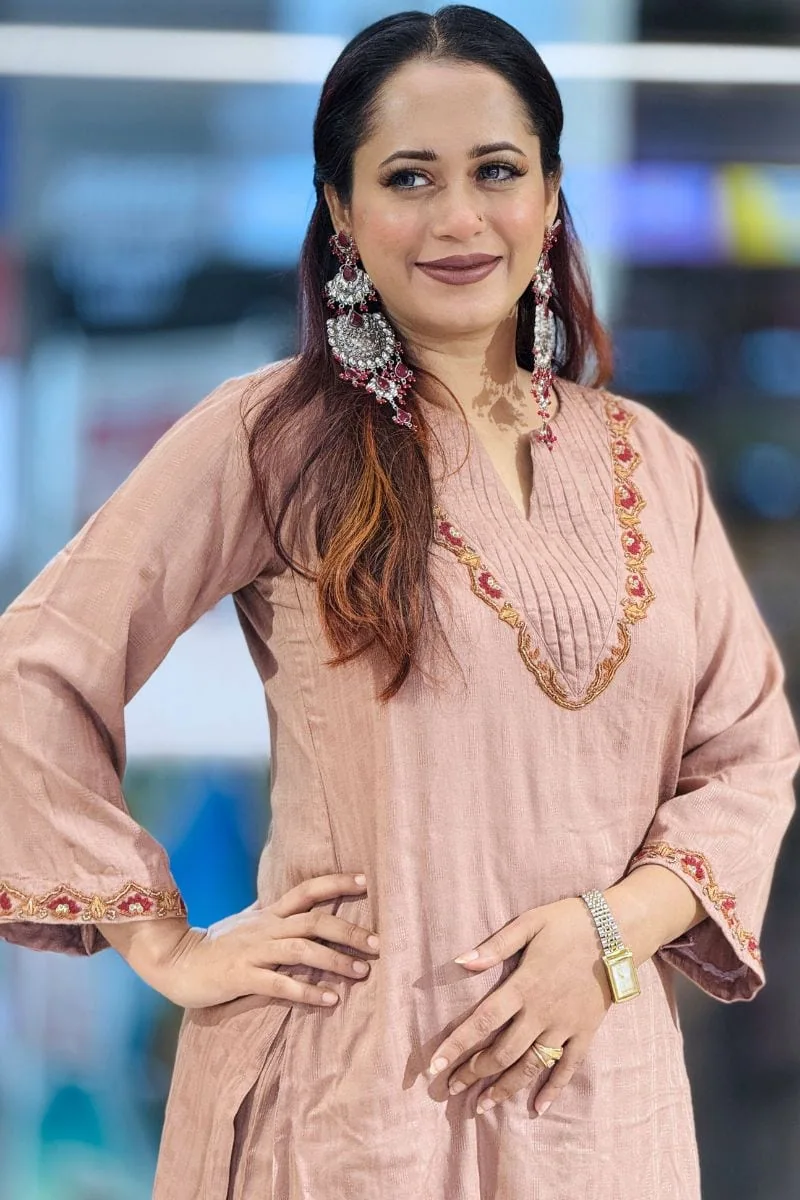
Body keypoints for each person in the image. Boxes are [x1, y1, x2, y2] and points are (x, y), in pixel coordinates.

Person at [1, 6, 798, 1198]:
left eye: (496, 171)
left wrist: (612, 930)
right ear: (340, 210)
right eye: (408, 177)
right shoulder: (272, 437)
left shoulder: (650, 462)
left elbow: (747, 752)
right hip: (352, 1105)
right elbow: (35, 669)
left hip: (600, 1113)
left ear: (551, 193)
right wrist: (161, 942)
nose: (457, 218)